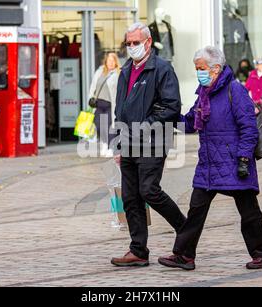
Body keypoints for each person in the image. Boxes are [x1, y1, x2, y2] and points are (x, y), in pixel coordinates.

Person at [158, 46, 262, 271]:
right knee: (196, 210)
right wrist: (170, 118)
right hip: (209, 163)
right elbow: (192, 121)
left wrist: (243, 158)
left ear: (216, 68)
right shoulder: (204, 92)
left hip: (235, 161)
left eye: (200, 68)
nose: (198, 72)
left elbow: (248, 128)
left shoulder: (235, 90)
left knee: (249, 211)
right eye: (196, 68)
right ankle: (184, 255)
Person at [111, 22, 186, 267]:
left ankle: (185, 230)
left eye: (136, 42)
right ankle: (138, 250)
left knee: (149, 191)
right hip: (129, 142)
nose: (131, 47)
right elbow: (119, 110)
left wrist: (145, 125)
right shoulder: (125, 71)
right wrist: (118, 144)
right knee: (130, 197)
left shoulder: (162, 69)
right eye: (128, 43)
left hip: (153, 141)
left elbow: (172, 106)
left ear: (148, 42)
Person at [89, 52, 120, 157]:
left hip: (110, 105)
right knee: (98, 125)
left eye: (113, 61)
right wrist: (90, 99)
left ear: (116, 62)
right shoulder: (99, 71)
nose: (111, 63)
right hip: (98, 104)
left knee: (110, 126)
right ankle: (104, 144)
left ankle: (110, 148)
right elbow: (93, 86)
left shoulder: (117, 74)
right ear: (105, 61)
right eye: (109, 60)